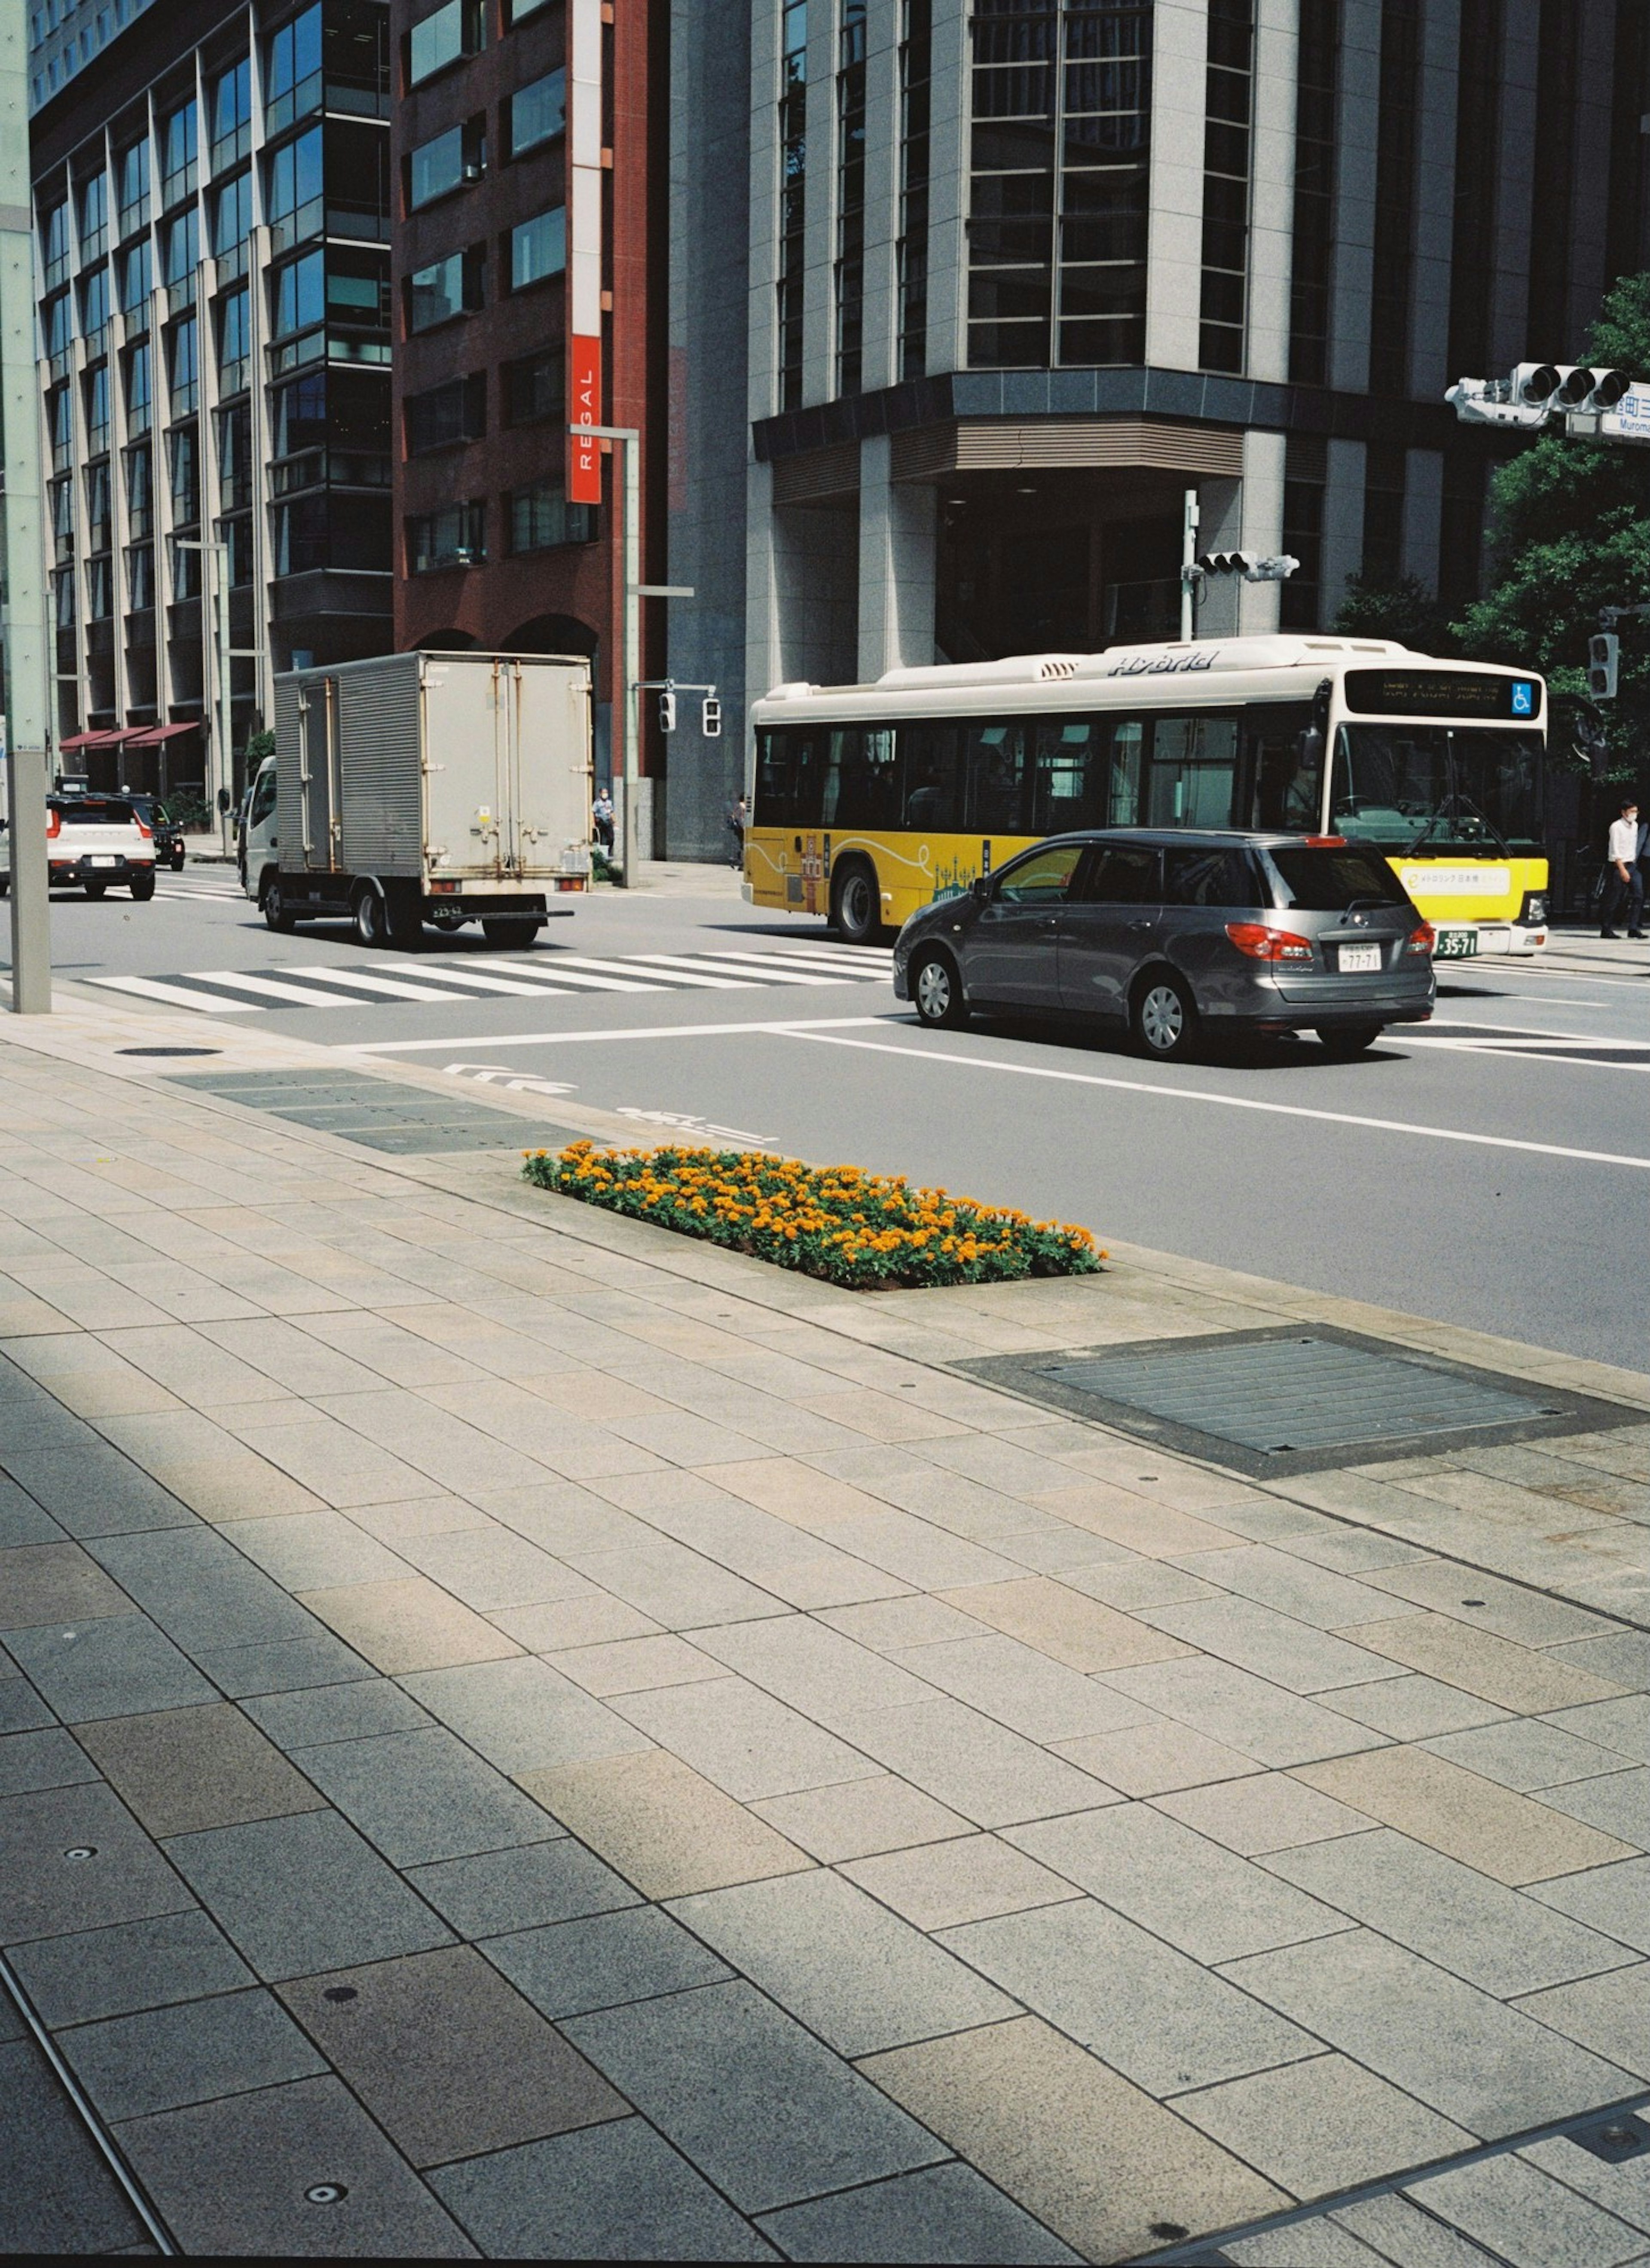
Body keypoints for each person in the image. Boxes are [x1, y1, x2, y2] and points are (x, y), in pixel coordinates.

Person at [1601, 796, 1644, 938]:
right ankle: (1606, 928)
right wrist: (1622, 870)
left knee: (1639, 895)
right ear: (1624, 812)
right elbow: (1615, 851)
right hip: (1619, 865)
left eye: (1636, 812)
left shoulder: (1635, 826)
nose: (1634, 814)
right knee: (1615, 898)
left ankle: (1633, 928)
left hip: (1632, 864)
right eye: (1632, 811)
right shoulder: (1616, 827)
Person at [726, 795, 747, 869]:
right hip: (741, 829)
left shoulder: (740, 806)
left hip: (740, 829)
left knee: (743, 846)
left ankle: (739, 862)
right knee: (744, 846)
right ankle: (736, 861)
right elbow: (739, 818)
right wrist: (743, 827)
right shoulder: (741, 806)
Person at [591, 787, 614, 854]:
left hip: (608, 821)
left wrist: (614, 822)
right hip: (600, 822)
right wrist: (593, 822)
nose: (605, 794)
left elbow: (611, 812)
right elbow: (593, 812)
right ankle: (600, 854)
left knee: (611, 838)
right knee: (600, 839)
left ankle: (608, 852)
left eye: (606, 793)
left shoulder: (609, 803)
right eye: (604, 793)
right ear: (600, 794)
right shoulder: (597, 803)